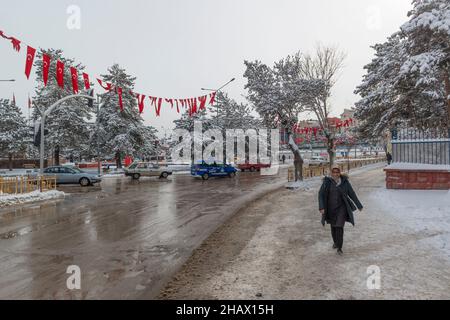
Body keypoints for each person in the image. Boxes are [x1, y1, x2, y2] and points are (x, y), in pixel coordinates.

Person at [318, 165, 363, 255]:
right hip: (330, 208)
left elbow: (352, 193)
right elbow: (321, 195)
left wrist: (359, 205)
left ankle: (339, 247)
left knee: (339, 226)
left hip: (342, 208)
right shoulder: (327, 182)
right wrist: (322, 207)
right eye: (333, 172)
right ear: (331, 173)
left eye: (337, 172)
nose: (335, 174)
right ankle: (335, 242)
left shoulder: (345, 182)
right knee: (333, 227)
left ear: (340, 173)